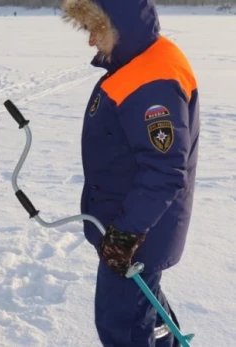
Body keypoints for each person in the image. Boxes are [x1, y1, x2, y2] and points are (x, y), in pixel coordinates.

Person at [61, 0, 199, 346]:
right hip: (134, 224)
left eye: (97, 29)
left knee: (121, 325)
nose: (91, 41)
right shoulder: (141, 60)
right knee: (145, 312)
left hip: (138, 233)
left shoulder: (151, 83)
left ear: (120, 25)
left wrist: (125, 235)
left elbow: (165, 170)